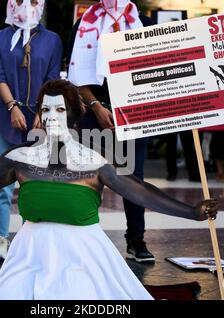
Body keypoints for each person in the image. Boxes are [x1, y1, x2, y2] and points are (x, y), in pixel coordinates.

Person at [0, 79, 218, 300]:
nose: (51, 117)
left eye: (60, 110)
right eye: (46, 109)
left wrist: (192, 212)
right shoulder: (19, 158)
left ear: (75, 117)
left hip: (86, 254)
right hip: (29, 251)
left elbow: (140, 192)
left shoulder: (95, 161)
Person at [67, 0, 157, 263]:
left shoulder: (146, 24)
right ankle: (81, 237)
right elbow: (75, 76)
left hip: (132, 116)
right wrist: (96, 107)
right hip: (95, 113)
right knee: (87, 177)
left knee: (133, 179)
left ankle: (136, 240)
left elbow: (156, 73)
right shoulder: (83, 24)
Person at [0, 0, 63, 260]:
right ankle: (0, 238)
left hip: (39, 121)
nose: (26, 6)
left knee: (36, 181)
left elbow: (53, 80)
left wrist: (42, 112)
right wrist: (12, 108)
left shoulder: (52, 39)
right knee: (2, 183)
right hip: (5, 117)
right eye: (20, 0)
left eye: (32, 1)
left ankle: (30, 239)